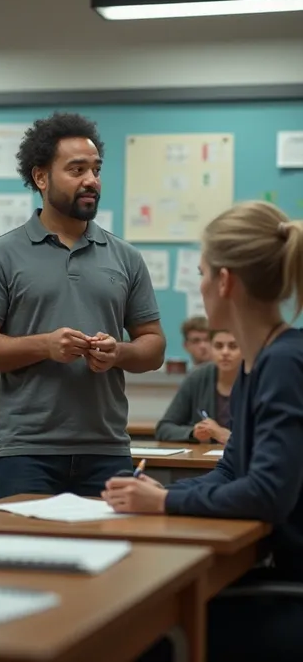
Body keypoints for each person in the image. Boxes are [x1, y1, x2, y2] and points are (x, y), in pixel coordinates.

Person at [103, 201, 303, 662]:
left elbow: (267, 493)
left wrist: (169, 501)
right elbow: (233, 470)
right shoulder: (262, 362)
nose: (200, 286)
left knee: (145, 630)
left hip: (293, 584)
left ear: (225, 281)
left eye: (202, 273)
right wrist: (156, 497)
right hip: (282, 568)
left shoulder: (284, 363)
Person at [0, 112, 165, 498]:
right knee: (29, 556)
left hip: (106, 449)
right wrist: (45, 346)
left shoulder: (125, 257)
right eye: (76, 170)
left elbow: (153, 346)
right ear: (41, 177)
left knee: (113, 556)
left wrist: (118, 352)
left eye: (96, 169)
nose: (91, 180)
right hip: (27, 452)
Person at [155, 329, 241, 443]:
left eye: (233, 346)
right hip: (205, 457)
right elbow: (164, 428)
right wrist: (193, 432)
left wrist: (227, 436)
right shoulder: (197, 377)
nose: (225, 352)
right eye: (218, 346)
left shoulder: (258, 379)